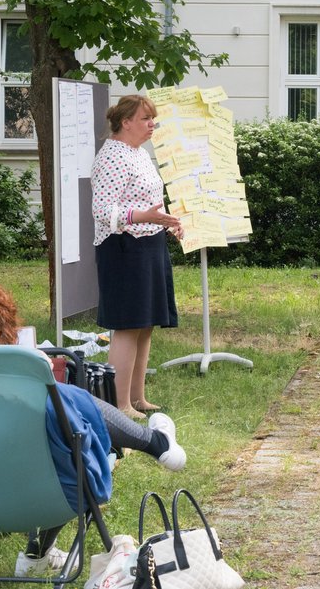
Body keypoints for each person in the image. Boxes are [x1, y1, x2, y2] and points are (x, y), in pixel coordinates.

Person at [0, 281, 186, 579]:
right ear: (6, 334)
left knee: (57, 447)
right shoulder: (35, 394)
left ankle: (37, 555)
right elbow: (83, 428)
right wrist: (45, 381)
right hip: (51, 499)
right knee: (70, 449)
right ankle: (155, 442)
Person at [91, 94, 182, 418]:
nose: (151, 125)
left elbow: (149, 202)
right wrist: (143, 217)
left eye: (152, 119)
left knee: (144, 324)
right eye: (145, 119)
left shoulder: (139, 153)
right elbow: (102, 211)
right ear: (125, 122)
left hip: (149, 243)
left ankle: (137, 398)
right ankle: (119, 404)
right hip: (123, 247)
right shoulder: (112, 156)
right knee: (128, 325)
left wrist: (168, 223)